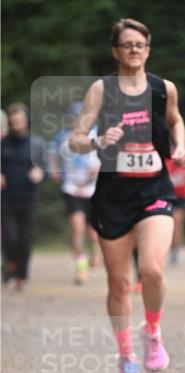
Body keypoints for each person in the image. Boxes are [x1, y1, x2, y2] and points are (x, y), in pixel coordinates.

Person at [69, 18, 185, 373]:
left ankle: (152, 331)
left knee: (152, 268)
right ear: (116, 51)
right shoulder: (102, 91)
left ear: (148, 50)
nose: (134, 49)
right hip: (112, 195)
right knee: (119, 283)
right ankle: (126, 357)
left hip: (154, 190)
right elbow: (76, 139)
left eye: (140, 44)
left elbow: (175, 121)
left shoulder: (162, 88)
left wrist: (181, 146)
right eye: (127, 44)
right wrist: (97, 141)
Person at [48, 102, 101, 284]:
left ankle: (95, 254)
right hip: (72, 188)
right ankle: (81, 266)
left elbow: (110, 155)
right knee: (77, 227)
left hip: (93, 189)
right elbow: (52, 155)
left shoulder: (97, 134)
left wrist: (100, 169)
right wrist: (54, 170)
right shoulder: (62, 137)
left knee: (93, 232)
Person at [1, 103, 46, 291]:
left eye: (19, 120)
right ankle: (10, 264)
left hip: (29, 198)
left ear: (26, 120)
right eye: (13, 121)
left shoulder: (36, 143)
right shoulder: (3, 144)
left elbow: (47, 168)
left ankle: (21, 276)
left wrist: (41, 173)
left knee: (26, 239)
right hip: (7, 198)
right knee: (10, 237)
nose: (16, 124)